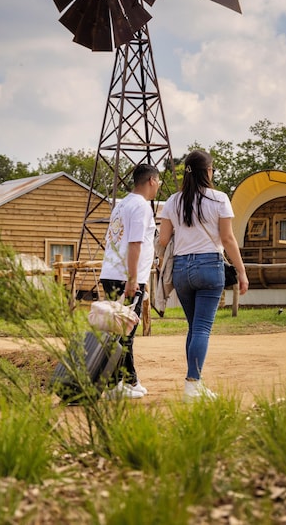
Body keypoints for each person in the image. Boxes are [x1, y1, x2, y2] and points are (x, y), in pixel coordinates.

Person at [158, 150, 249, 402]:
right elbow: (227, 239)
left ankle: (194, 383)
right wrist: (241, 271)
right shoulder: (219, 199)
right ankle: (192, 385)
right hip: (209, 265)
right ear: (207, 171)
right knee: (201, 329)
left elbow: (163, 239)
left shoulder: (173, 201)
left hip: (181, 269)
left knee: (194, 327)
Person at [98, 163, 161, 399]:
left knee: (119, 330)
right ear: (152, 180)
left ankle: (128, 381)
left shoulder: (122, 204)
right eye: (158, 181)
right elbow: (135, 243)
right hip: (126, 277)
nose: (158, 186)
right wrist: (133, 279)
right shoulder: (142, 206)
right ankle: (116, 385)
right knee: (125, 332)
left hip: (111, 272)